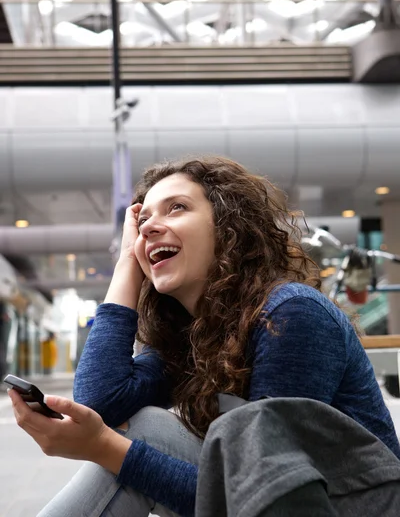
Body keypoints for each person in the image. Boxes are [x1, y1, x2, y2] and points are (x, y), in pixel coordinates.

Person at [8, 155, 400, 517]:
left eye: (176, 207)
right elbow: (102, 400)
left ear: (228, 225)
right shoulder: (196, 334)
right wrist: (128, 260)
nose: (148, 227)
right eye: (142, 221)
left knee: (145, 434)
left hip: (341, 508)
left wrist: (103, 448)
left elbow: (271, 495)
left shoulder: (290, 313)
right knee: (147, 426)